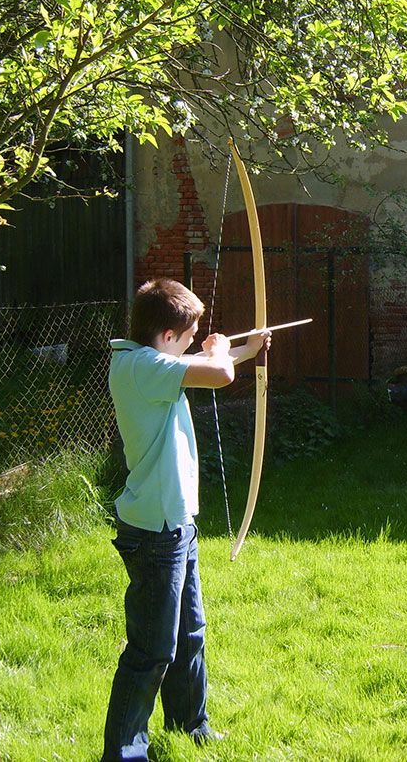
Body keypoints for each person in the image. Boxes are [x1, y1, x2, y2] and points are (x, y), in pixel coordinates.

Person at [102, 277, 269, 761]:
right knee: (151, 649)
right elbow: (215, 374)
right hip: (154, 531)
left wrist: (245, 350)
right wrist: (221, 352)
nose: (197, 340)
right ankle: (124, 753)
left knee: (188, 633)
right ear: (168, 335)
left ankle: (190, 726)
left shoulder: (155, 362)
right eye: (191, 334)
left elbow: (206, 368)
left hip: (176, 525)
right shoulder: (138, 366)